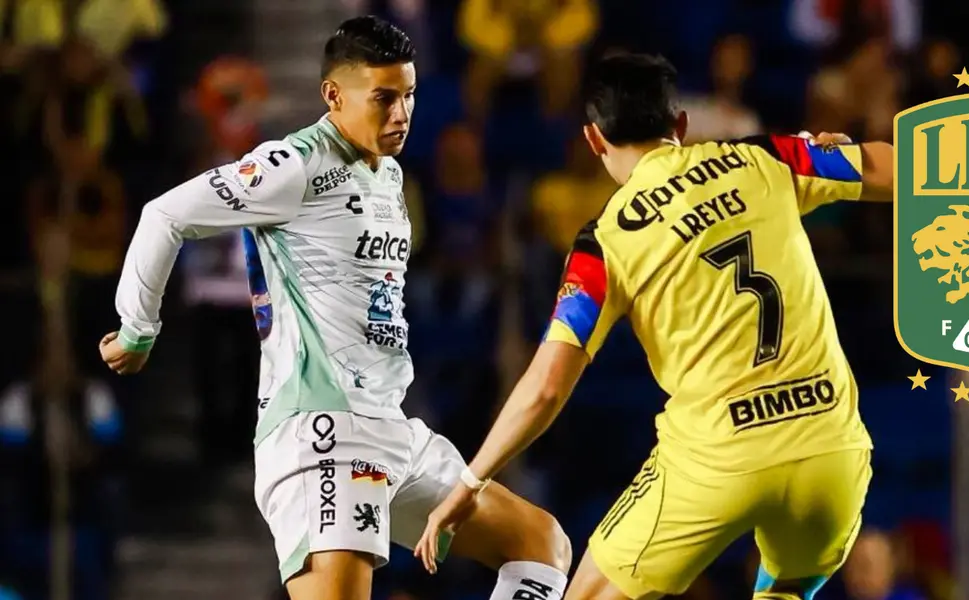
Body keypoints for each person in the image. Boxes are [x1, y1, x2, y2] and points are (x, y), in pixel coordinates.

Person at [98, 16, 570, 600]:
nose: (402, 115)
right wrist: (137, 330)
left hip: (391, 427)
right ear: (333, 95)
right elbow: (164, 216)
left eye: (410, 96)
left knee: (540, 543)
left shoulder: (389, 175)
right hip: (323, 434)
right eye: (384, 98)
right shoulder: (293, 165)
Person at [416, 52, 895, 600]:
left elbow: (546, 387)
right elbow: (902, 168)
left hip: (715, 461)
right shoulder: (767, 158)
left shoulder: (606, 241)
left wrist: (472, 480)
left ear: (594, 139)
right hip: (831, 455)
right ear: (681, 125)